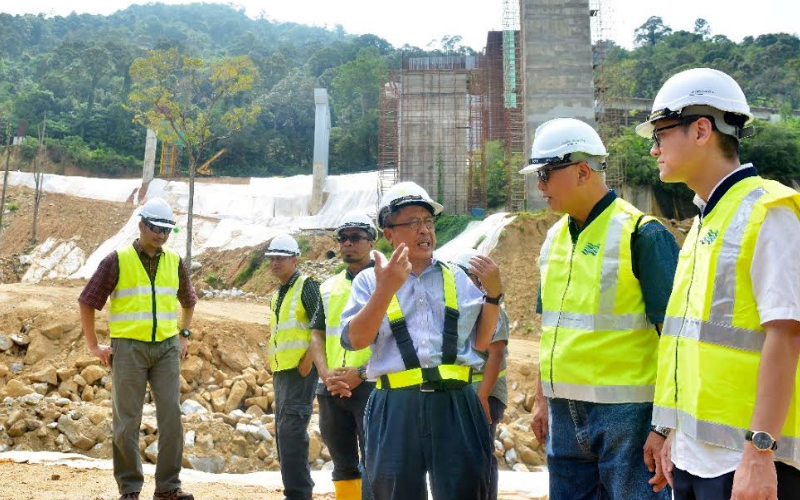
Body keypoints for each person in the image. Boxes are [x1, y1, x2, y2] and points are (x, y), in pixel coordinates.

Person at [637, 67, 800, 500]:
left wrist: (760, 451)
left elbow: (786, 334)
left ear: (701, 130)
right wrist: (670, 431)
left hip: (745, 462)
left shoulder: (769, 212)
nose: (654, 149)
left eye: (660, 134)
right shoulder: (705, 220)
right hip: (695, 459)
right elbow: (691, 344)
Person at [520, 118, 679, 500]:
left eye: (545, 174)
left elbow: (677, 340)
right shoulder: (554, 239)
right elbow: (552, 331)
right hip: (564, 414)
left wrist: (666, 425)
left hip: (629, 415)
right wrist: (542, 399)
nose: (540, 187)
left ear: (582, 171)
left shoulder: (642, 234)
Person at [339, 181, 502, 500]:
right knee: (394, 490)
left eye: (428, 221)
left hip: (455, 401)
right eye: (413, 223)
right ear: (389, 234)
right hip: (395, 403)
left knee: (466, 488)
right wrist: (386, 288)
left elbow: (481, 342)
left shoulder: (456, 276)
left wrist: (493, 296)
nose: (424, 230)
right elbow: (355, 340)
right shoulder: (369, 280)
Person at [78, 198, 195, 500]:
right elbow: (87, 300)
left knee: (171, 418)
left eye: (167, 230)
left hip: (166, 348)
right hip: (128, 349)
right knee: (127, 422)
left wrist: (183, 335)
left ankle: (168, 487)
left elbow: (189, 300)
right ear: (141, 225)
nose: (161, 235)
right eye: (156, 228)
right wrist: (93, 345)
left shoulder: (174, 261)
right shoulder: (117, 260)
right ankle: (130, 488)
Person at [308, 212, 378, 500]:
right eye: (343, 238)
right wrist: (325, 374)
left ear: (372, 242)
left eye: (356, 237)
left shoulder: (386, 282)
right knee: (343, 464)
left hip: (372, 385)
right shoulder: (328, 287)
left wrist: (360, 373)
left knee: (375, 460)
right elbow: (317, 333)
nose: (348, 243)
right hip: (332, 387)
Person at [450, 248, 509, 500]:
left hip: (485, 395)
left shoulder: (493, 311)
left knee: (481, 454)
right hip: (466, 394)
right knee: (462, 456)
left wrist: (483, 397)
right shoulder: (462, 311)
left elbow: (496, 354)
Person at [265, 233, 321, 500]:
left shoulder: (306, 286)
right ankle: (295, 492)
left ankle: (299, 494)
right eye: (272, 258)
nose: (275, 262)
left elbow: (321, 326)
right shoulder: (279, 294)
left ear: (295, 259)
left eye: (281, 258)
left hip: (300, 371)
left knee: (292, 433)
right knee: (284, 433)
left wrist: (308, 361)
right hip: (283, 371)